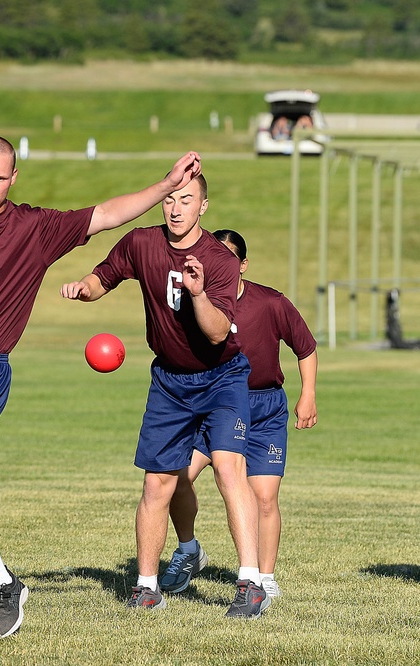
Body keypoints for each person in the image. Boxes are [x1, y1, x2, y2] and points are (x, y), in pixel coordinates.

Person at [0, 92, 205, 639]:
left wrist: (166, 187)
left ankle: (4, 584)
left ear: (14, 177)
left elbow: (108, 213)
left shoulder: (34, 228)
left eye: (1, 178)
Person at [61, 174, 271, 619]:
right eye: (170, 199)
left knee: (229, 470)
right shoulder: (142, 243)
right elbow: (106, 274)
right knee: (158, 483)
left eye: (187, 200)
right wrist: (85, 289)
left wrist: (197, 294)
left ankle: (250, 582)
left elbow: (216, 333)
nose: (176, 209)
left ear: (204, 206)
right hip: (170, 382)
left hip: (222, 378)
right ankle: (146, 586)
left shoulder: (219, 260)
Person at [163, 229, 318, 599]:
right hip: (214, 403)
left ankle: (263, 578)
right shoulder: (192, 303)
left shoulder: (270, 303)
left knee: (264, 496)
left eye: (230, 260)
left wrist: (308, 394)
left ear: (243, 265)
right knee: (174, 477)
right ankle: (188, 550)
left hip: (263, 407)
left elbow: (306, 347)